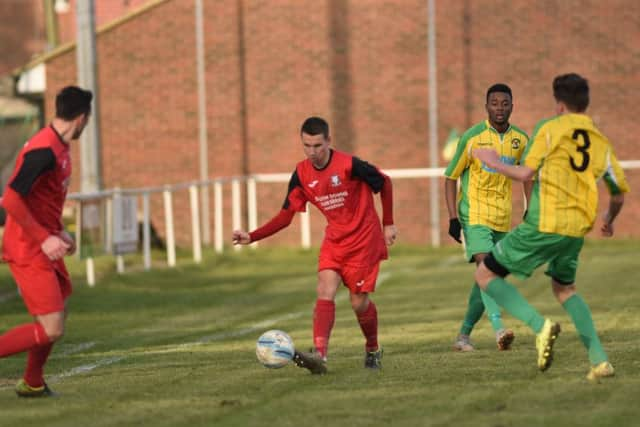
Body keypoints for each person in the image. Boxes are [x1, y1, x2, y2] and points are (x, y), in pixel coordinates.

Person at [473, 73, 629, 380]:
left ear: (559, 104)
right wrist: (608, 220)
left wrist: (492, 160)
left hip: (546, 222)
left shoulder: (550, 128)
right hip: (577, 228)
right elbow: (619, 193)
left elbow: (525, 172)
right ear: (585, 103)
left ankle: (540, 327)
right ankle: (599, 361)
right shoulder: (599, 139)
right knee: (565, 288)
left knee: (485, 273)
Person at [233, 116, 397, 374]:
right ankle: (319, 355)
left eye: (317, 145)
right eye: (307, 146)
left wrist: (388, 223)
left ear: (328, 141)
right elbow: (285, 216)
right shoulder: (301, 174)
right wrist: (252, 236)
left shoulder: (349, 165)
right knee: (325, 289)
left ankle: (373, 348)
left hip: (364, 241)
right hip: (335, 241)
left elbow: (384, 182)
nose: (312, 152)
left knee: (358, 303)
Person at [0, 86, 93, 396]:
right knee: (51, 327)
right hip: (28, 247)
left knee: (59, 312)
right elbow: (12, 198)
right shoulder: (44, 150)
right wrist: (43, 238)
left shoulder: (59, 147)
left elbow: (42, 200)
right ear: (81, 118)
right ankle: (32, 382)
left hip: (42, 244)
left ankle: (33, 382)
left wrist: (60, 232)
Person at [444, 83, 530, 352]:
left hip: (503, 217)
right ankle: (498, 328)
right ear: (486, 107)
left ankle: (463, 336)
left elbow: (528, 174)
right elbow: (450, 176)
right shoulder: (472, 137)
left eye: (505, 103)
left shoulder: (521, 140)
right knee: (487, 269)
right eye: (494, 103)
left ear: (512, 106)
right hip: (475, 215)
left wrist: (530, 206)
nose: (499, 108)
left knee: (489, 279)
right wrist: (453, 217)